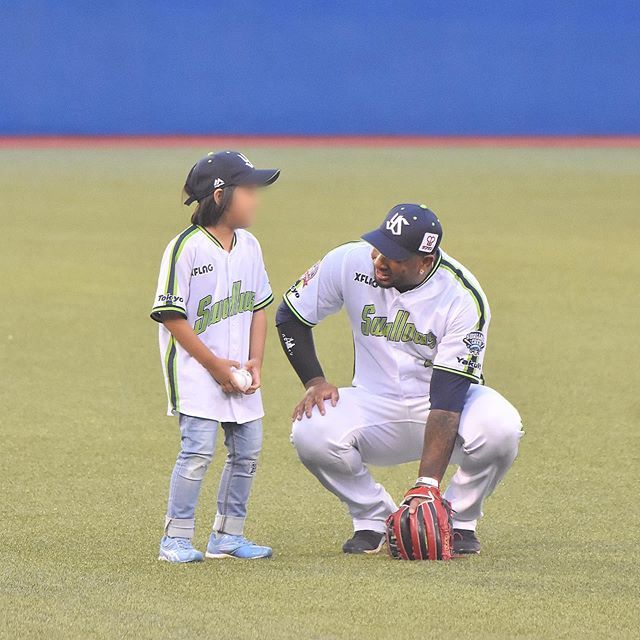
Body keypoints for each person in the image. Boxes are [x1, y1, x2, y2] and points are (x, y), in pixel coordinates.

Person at [276, 204, 523, 555]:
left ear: (424, 261)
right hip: (374, 404)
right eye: (379, 246)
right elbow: (291, 316)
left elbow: (448, 400)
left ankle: (456, 519)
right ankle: (373, 518)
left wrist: (427, 486)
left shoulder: (461, 296)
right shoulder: (348, 262)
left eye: (395, 256)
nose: (379, 259)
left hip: (442, 406)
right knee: (310, 430)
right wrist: (314, 381)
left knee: (501, 427)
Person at [151, 151, 279, 562]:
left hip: (238, 369)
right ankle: (175, 538)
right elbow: (172, 316)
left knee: (248, 451)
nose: (255, 199)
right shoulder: (184, 248)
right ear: (220, 195)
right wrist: (214, 366)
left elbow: (260, 305)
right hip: (195, 370)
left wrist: (255, 360)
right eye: (248, 190)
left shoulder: (250, 245)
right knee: (198, 452)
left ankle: (227, 534)